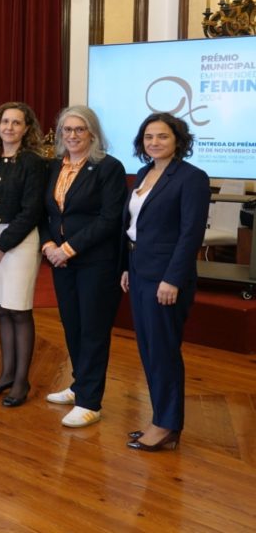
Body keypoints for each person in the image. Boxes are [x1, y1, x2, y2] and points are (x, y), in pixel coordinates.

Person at [121, 113, 209, 451]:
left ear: (178, 141)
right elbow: (135, 226)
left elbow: (190, 234)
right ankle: (160, 418)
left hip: (166, 278)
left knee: (163, 351)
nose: (154, 142)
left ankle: (167, 425)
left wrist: (172, 279)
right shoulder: (145, 173)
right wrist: (128, 267)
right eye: (148, 137)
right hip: (140, 270)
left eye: (162, 136)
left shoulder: (192, 178)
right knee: (149, 350)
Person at [41, 105, 126, 428]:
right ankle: (79, 385)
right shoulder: (54, 167)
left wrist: (69, 248)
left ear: (93, 133)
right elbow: (47, 212)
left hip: (95, 262)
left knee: (93, 329)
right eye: (67, 130)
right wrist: (49, 245)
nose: (73, 135)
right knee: (72, 325)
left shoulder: (108, 167)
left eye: (80, 129)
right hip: (60, 261)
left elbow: (109, 219)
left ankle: (91, 401)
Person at [0, 102, 47, 407]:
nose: (9, 127)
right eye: (5, 121)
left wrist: (1, 245)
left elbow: (32, 211)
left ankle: (21, 381)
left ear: (26, 129)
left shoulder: (32, 162)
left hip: (18, 243)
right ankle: (6, 374)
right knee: (1, 310)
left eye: (17, 123)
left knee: (19, 310)